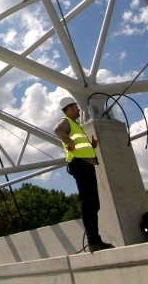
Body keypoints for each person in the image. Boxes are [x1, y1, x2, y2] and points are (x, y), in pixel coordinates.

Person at [53, 95, 114, 252]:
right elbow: (57, 130)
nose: (79, 110)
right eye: (76, 107)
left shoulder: (74, 125)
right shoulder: (66, 122)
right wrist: (69, 142)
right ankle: (93, 241)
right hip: (81, 164)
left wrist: (90, 145)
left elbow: (76, 143)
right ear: (70, 108)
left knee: (93, 204)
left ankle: (95, 239)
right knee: (89, 203)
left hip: (84, 164)